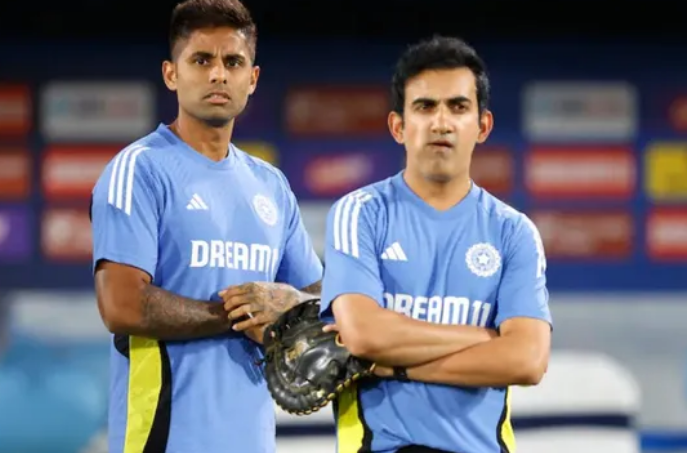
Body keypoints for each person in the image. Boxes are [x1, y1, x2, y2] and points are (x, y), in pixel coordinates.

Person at [89, 0, 323, 452]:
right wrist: (243, 315)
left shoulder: (270, 185)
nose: (218, 74)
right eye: (201, 60)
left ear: (252, 79)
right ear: (171, 74)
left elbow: (317, 296)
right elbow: (121, 305)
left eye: (233, 62)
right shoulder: (139, 170)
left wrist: (291, 306)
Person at [319, 35, 552, 453]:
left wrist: (398, 367)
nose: (441, 122)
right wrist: (488, 338)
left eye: (458, 107)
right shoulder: (360, 213)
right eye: (425, 107)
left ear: (483, 126)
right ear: (398, 126)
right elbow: (363, 336)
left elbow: (528, 360)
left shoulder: (514, 231)